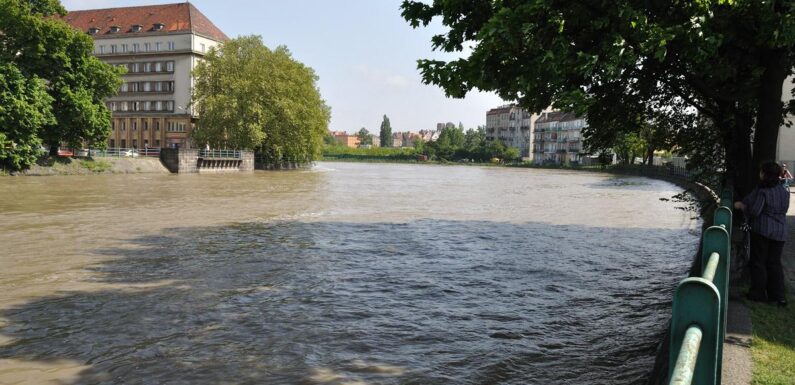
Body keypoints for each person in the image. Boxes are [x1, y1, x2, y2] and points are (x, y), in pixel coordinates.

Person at [734, 161, 790, 307]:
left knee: (758, 262)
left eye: (761, 172)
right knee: (774, 263)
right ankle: (778, 296)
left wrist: (742, 206)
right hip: (780, 232)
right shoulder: (784, 192)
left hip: (763, 231)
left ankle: (758, 293)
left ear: (764, 174)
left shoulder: (763, 192)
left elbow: (754, 212)